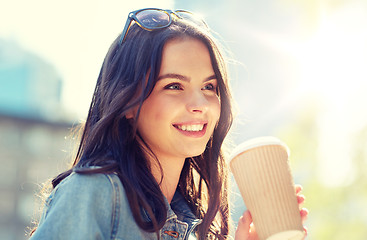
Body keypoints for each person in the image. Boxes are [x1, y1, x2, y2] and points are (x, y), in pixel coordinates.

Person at [29, 8, 308, 240]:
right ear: (128, 102)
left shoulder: (199, 226)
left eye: (209, 87)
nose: (200, 104)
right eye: (174, 85)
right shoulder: (95, 193)